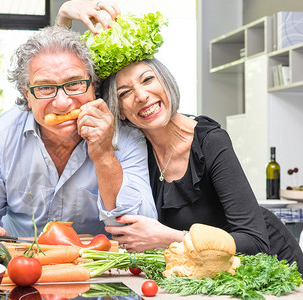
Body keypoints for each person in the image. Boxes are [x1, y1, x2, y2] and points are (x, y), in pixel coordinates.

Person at [57, 0, 303, 274]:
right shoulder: (134, 149)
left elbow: (256, 242)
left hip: (272, 269)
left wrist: (168, 237)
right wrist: (64, 16)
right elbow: (67, 87)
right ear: (120, 111)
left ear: (166, 82)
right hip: (210, 276)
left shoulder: (210, 141)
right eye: (124, 93)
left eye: (148, 79)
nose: (141, 95)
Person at [0, 25, 157, 238]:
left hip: (96, 265)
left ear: (93, 86)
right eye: (45, 88)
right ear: (27, 96)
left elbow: (142, 226)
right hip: (20, 261)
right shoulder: (1, 136)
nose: (61, 103)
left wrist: (105, 156)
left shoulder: (126, 136)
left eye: (75, 84)